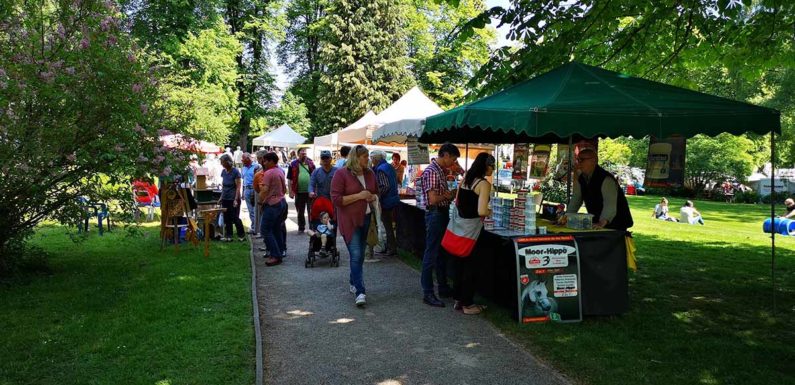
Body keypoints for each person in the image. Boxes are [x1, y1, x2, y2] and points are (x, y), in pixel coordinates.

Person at [331, 145, 378, 307]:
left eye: (367, 156)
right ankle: (360, 291)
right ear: (355, 158)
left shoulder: (370, 173)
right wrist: (359, 196)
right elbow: (336, 200)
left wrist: (372, 197)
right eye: (365, 156)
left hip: (366, 219)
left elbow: (375, 191)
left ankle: (353, 280)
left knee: (358, 255)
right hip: (349, 221)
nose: (368, 159)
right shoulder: (341, 174)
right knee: (357, 254)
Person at [453, 153, 494, 315]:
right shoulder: (483, 184)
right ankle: (467, 304)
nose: (493, 169)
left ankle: (459, 299)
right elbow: (482, 210)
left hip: (461, 229)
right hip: (474, 231)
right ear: (486, 166)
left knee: (460, 265)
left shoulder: (465, 180)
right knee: (472, 266)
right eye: (492, 166)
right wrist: (491, 212)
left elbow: (457, 202)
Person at [420, 143, 460, 307]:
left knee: (441, 253)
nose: (454, 162)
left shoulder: (440, 171)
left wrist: (448, 196)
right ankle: (428, 292)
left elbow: (440, 196)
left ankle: (442, 287)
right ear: (445, 155)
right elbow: (432, 199)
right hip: (435, 214)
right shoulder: (432, 171)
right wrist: (447, 194)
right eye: (453, 158)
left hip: (440, 213)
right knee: (431, 253)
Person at [559, 148, 633, 231]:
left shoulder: (606, 179)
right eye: (578, 160)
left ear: (593, 161)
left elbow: (610, 204)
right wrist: (567, 217)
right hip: (597, 223)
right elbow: (576, 198)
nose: (578, 163)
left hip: (616, 225)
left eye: (582, 160)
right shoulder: (582, 178)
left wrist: (602, 222)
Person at [258, 152, 288, 266]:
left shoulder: (269, 173)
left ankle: (275, 255)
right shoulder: (280, 171)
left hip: (272, 204)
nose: (263, 163)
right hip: (281, 202)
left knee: (265, 230)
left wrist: (260, 201)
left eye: (265, 161)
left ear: (271, 161)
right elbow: (285, 189)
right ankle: (279, 252)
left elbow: (265, 190)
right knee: (276, 229)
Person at [371, 150, 399, 256]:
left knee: (387, 226)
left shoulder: (381, 169)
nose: (371, 160)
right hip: (393, 198)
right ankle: (390, 247)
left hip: (387, 200)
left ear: (375, 159)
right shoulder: (388, 166)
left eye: (372, 158)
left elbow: (385, 186)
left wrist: (377, 196)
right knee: (388, 225)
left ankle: (391, 249)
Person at [286, 148, 316, 233]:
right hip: (299, 191)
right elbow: (290, 179)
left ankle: (312, 227)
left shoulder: (311, 163)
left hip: (310, 192)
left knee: (311, 210)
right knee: (300, 211)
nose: (304, 153)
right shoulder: (293, 164)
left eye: (305, 152)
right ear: (298, 154)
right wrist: (290, 191)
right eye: (302, 152)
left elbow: (315, 176)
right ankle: (301, 227)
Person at [218, 154, 245, 241]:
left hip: (233, 198)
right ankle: (229, 235)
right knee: (226, 218)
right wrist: (221, 197)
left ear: (227, 162)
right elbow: (224, 186)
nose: (221, 164)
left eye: (222, 162)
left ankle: (241, 235)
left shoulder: (236, 172)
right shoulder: (223, 172)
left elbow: (238, 186)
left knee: (235, 217)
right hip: (225, 198)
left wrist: (236, 199)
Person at [241, 153, 261, 234]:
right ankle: (254, 227)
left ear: (248, 159)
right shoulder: (243, 168)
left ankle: (257, 228)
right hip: (246, 189)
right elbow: (243, 180)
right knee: (250, 210)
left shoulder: (256, 166)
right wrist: (243, 192)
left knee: (256, 209)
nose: (242, 161)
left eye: (243, 159)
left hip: (254, 189)